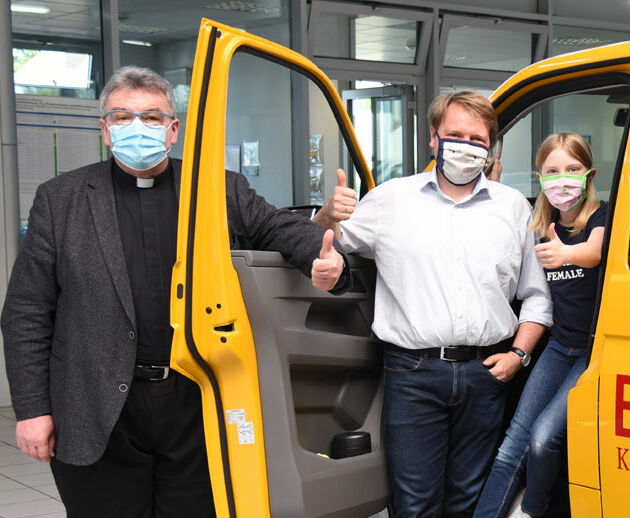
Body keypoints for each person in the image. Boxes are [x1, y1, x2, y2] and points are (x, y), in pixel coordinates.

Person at [2, 66, 347, 518]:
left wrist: (321, 257)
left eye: (150, 117)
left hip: (196, 399)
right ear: (105, 130)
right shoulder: (61, 198)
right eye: (122, 118)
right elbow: (27, 311)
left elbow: (278, 227)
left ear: (173, 129)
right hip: (97, 406)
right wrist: (32, 410)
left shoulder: (218, 189)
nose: (136, 128)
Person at [314, 91, 552, 517]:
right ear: (433, 138)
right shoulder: (390, 200)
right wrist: (326, 214)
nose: (466, 145)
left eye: (477, 138)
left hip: (486, 375)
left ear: (491, 148)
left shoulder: (513, 207)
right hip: (412, 373)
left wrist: (519, 354)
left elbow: (536, 296)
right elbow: (325, 245)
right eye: (454, 134)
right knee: (415, 505)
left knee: (468, 501)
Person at [475, 132, 607, 517]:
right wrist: (491, 185)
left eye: (573, 169)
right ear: (539, 178)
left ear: (589, 174)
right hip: (558, 347)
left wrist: (566, 253)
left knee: (543, 436)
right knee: (512, 442)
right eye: (552, 171)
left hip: (591, 351)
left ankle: (531, 510)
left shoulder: (602, 216)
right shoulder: (538, 223)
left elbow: (595, 251)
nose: (562, 179)